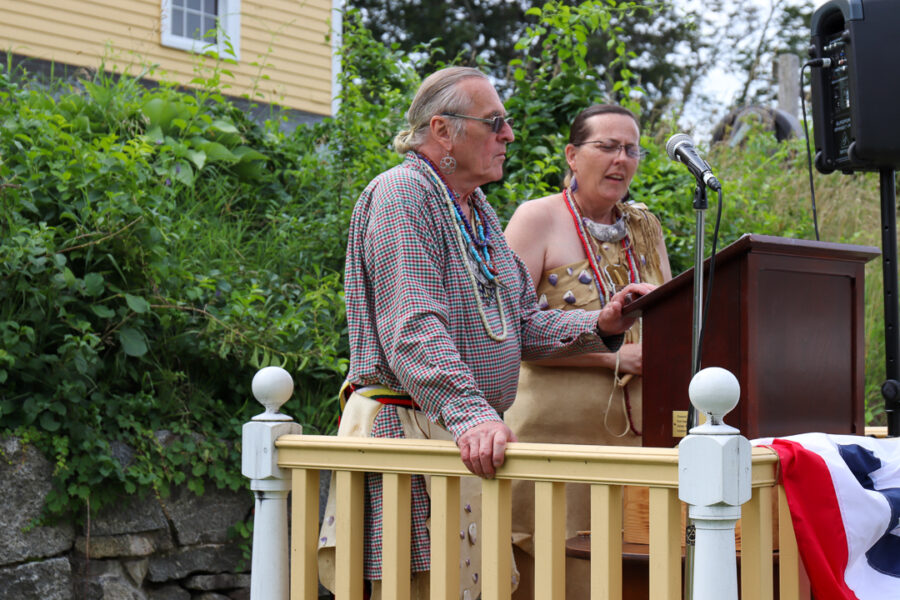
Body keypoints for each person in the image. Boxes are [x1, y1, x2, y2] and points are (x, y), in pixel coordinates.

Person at [316, 70, 654, 599]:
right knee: (418, 589)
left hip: (454, 436)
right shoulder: (404, 194)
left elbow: (521, 322)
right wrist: (472, 416)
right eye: (495, 122)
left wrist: (601, 324)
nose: (509, 135)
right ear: (442, 131)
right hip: (409, 435)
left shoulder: (475, 211)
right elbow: (412, 328)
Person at [503, 104, 672, 599]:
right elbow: (507, 328)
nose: (621, 159)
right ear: (572, 155)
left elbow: (668, 314)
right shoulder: (537, 218)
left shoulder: (644, 226)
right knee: (553, 575)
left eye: (631, 149)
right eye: (607, 146)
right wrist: (615, 357)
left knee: (629, 574)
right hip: (554, 445)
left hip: (636, 441)